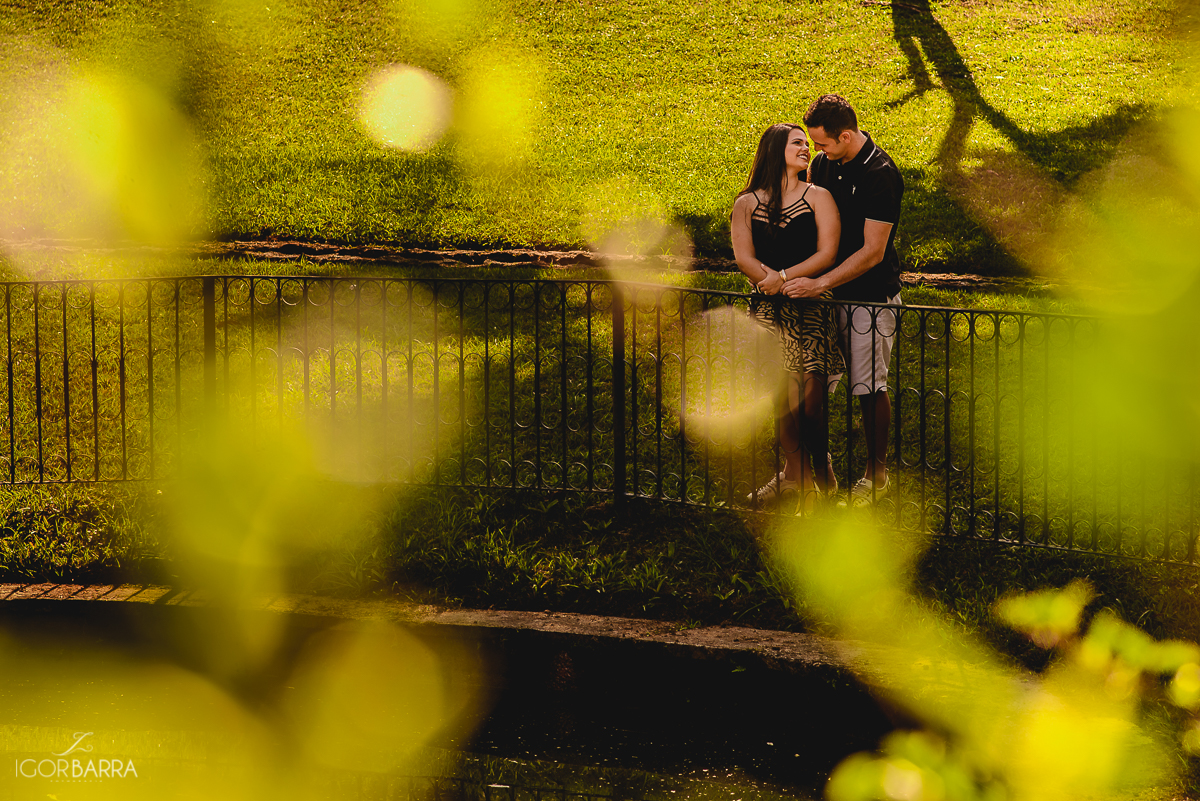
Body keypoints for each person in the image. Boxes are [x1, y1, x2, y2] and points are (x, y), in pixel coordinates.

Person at [786, 94, 905, 507]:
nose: (816, 152)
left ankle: (877, 475)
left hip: (869, 299)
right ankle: (811, 471)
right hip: (825, 296)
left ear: (847, 135)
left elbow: (873, 251)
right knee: (811, 384)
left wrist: (821, 283)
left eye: (823, 144)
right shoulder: (825, 165)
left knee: (869, 386)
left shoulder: (881, 174)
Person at [730, 123, 844, 512]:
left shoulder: (819, 197)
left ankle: (823, 478)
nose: (806, 149)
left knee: (810, 401)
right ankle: (801, 481)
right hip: (767, 310)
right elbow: (743, 256)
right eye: (797, 143)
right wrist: (768, 282)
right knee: (781, 398)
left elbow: (827, 254)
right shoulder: (746, 202)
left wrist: (783, 278)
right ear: (775, 148)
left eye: (807, 144)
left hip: (809, 307)